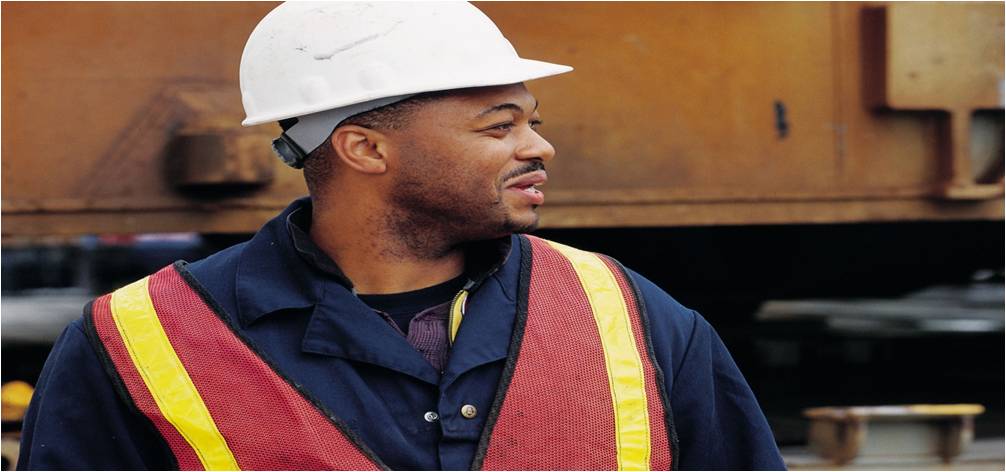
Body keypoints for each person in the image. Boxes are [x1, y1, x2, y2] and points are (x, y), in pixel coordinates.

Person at [18, 2, 785, 470]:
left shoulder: (631, 317)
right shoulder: (140, 345)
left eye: (533, 122)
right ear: (365, 149)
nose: (539, 147)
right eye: (499, 126)